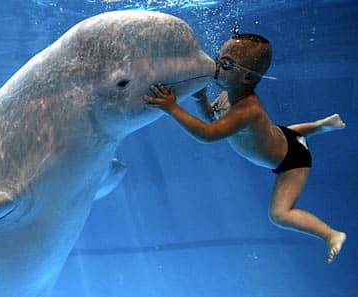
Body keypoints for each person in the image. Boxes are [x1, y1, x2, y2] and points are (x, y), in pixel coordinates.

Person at [143, 33, 346, 263]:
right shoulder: (228, 95)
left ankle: (331, 235)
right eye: (219, 59)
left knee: (279, 214)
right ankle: (319, 126)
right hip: (285, 137)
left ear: (248, 77)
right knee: (284, 133)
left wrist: (172, 108)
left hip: (292, 161)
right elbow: (212, 118)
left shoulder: (247, 110)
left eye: (226, 64)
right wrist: (201, 102)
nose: (217, 66)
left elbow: (207, 134)